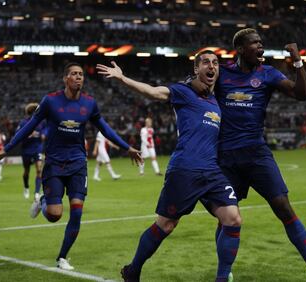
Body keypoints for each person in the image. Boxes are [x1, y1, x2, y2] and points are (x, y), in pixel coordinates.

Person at [191, 28, 306, 282]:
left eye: (261, 42)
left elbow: (301, 94)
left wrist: (297, 61)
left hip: (257, 154)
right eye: (255, 43)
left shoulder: (267, 74)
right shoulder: (222, 72)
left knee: (284, 208)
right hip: (226, 158)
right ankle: (224, 275)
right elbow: (196, 83)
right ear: (241, 49)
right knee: (226, 218)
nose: (261, 47)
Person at [97, 51, 241, 282]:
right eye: (206, 62)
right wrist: (123, 78)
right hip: (185, 169)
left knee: (233, 219)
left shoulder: (216, 101)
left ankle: (222, 278)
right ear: (196, 69)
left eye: (215, 63)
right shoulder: (182, 92)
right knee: (166, 224)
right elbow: (154, 92)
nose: (211, 66)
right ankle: (133, 270)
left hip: (212, 171)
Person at [0, 62, 142, 271]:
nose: (78, 77)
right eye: (74, 74)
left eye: (81, 74)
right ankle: (43, 199)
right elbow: (29, 127)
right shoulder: (50, 101)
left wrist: (127, 147)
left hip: (78, 163)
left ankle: (62, 257)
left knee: (77, 211)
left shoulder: (89, 104)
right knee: (54, 215)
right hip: (54, 163)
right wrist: (6, 149)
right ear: (65, 78)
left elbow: (105, 128)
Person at [18, 103, 46, 200]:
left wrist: (43, 134)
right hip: (26, 150)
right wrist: (27, 135)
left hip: (37, 148)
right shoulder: (23, 123)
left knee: (39, 170)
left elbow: (46, 130)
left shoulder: (41, 122)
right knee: (26, 171)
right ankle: (26, 187)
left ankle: (37, 193)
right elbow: (17, 135)